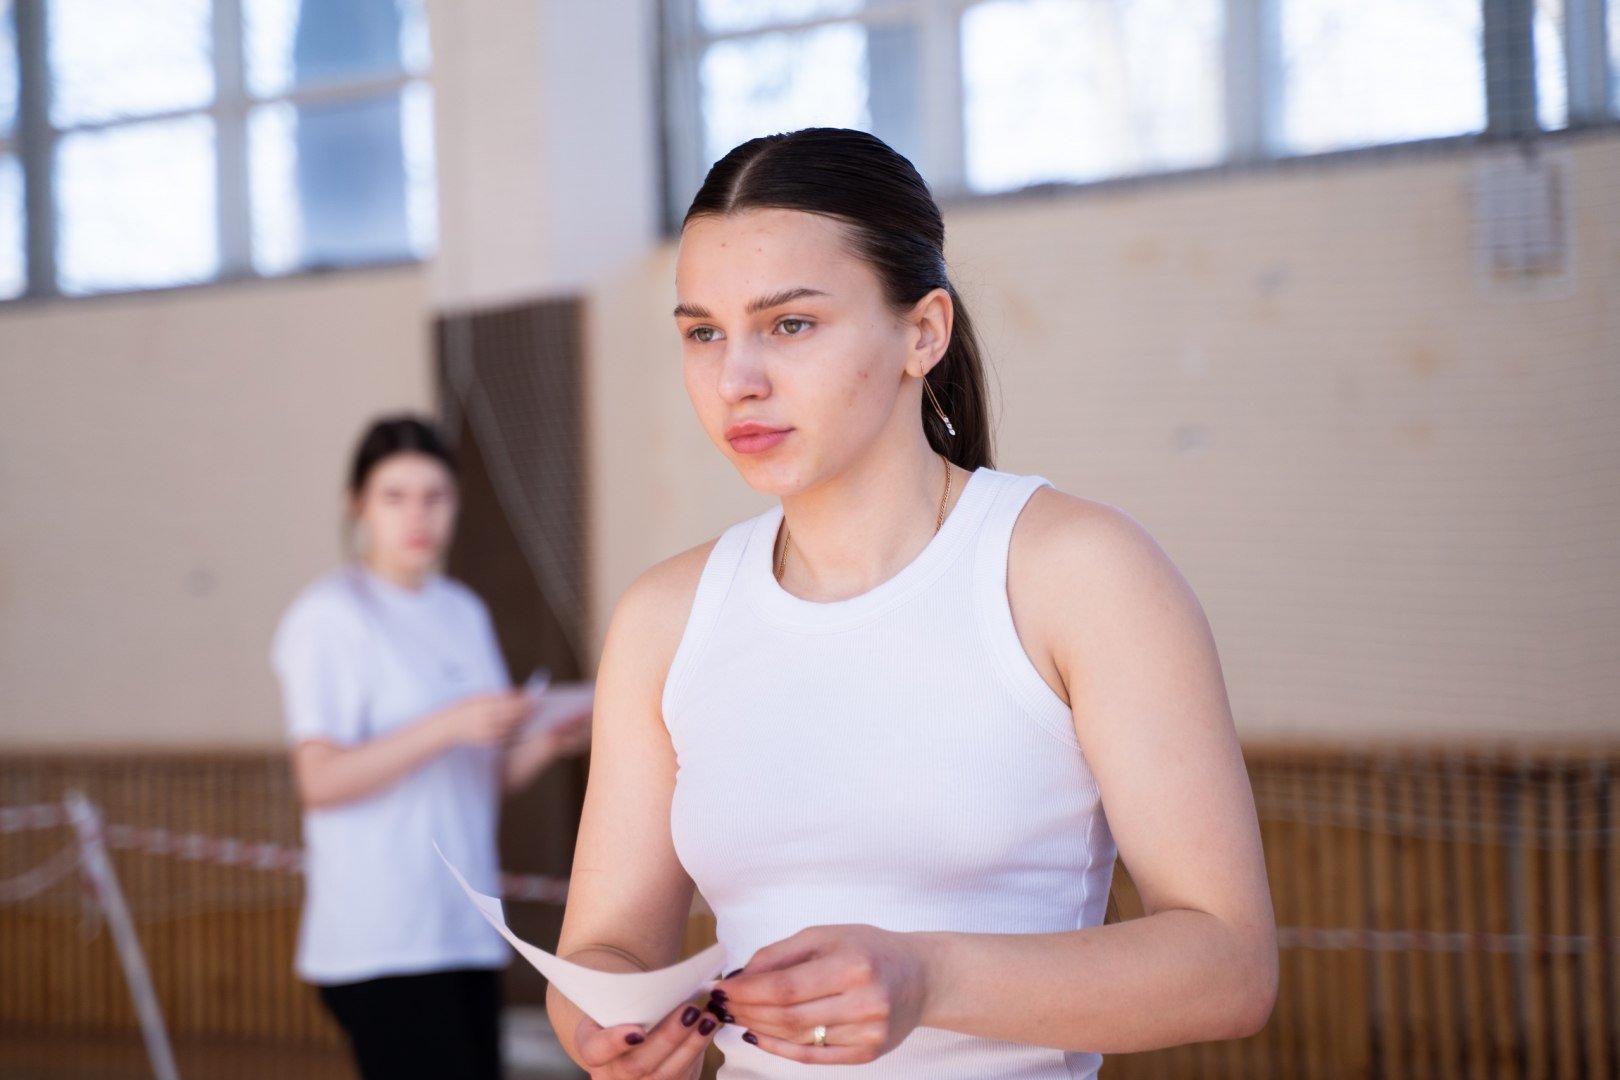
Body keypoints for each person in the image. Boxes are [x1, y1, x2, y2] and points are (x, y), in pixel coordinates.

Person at [546, 128, 1277, 1078]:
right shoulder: (663, 620)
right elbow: (604, 950)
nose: (736, 380)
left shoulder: (1078, 573)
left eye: (790, 324)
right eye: (703, 333)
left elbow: (1229, 966)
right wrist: (608, 1026)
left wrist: (929, 977)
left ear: (923, 331)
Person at [271, 415, 591, 1080]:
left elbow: (481, 779)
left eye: (434, 496)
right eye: (395, 497)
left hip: (466, 928)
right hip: (382, 939)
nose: (418, 516)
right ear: (358, 505)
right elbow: (320, 781)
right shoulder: (331, 615)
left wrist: (546, 740)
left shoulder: (461, 611)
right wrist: (446, 725)